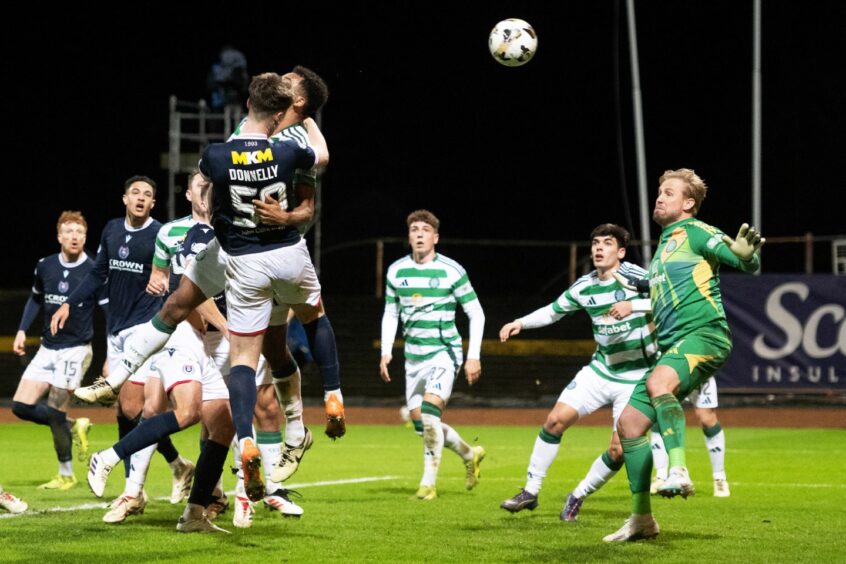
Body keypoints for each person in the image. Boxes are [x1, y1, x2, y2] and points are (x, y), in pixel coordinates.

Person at [75, 67, 345, 446]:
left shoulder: (291, 136)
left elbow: (307, 205)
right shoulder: (274, 136)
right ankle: (115, 377)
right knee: (179, 304)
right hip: (253, 251)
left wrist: (282, 214)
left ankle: (292, 431)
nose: (281, 78)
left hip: (258, 251)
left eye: (289, 81)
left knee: (266, 351)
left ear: (295, 102)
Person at [605, 168, 764, 542]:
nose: (659, 197)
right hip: (672, 345)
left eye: (668, 193)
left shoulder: (696, 231)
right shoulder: (663, 246)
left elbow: (743, 259)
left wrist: (748, 256)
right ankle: (642, 519)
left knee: (659, 383)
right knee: (628, 425)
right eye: (659, 192)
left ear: (688, 203)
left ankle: (678, 469)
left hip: (704, 335)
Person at [50, 176, 193, 523]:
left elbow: (177, 275)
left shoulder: (161, 234)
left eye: (148, 195)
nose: (141, 198)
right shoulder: (112, 230)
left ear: (153, 203)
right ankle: (177, 467)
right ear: (124, 198)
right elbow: (98, 273)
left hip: (147, 329)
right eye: (136, 193)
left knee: (134, 407)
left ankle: (134, 489)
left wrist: (165, 288)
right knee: (130, 412)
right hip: (117, 330)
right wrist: (69, 302)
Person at [499, 224, 656, 520]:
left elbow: (670, 302)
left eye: (607, 243)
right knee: (554, 421)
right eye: (595, 243)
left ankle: (578, 495)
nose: (598, 248)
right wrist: (521, 322)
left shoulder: (638, 278)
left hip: (636, 377)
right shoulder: (585, 286)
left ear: (621, 252)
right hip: (600, 370)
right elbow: (553, 310)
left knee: (618, 451)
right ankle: (530, 492)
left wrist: (633, 306)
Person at [380, 209, 486, 501]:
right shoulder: (396, 271)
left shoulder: (452, 270)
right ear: (409, 236)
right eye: (414, 229)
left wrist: (473, 356)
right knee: (423, 425)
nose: (419, 234)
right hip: (413, 359)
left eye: (425, 230)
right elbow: (391, 312)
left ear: (435, 237)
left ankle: (428, 484)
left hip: (444, 354)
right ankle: (470, 453)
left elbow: (476, 313)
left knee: (429, 415)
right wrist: (387, 351)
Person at [11, 211, 103, 490]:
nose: (74, 236)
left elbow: (108, 307)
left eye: (79, 232)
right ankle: (74, 424)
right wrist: (22, 330)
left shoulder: (95, 269)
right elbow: (35, 299)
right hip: (47, 347)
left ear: (85, 237)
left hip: (75, 350)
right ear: (59, 236)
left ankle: (66, 474)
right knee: (20, 406)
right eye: (69, 231)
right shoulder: (45, 266)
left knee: (54, 409)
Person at [649, 376, 730, 497]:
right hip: (671, 372)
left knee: (707, 419)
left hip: (698, 372)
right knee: (661, 415)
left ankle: (719, 478)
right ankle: (661, 476)